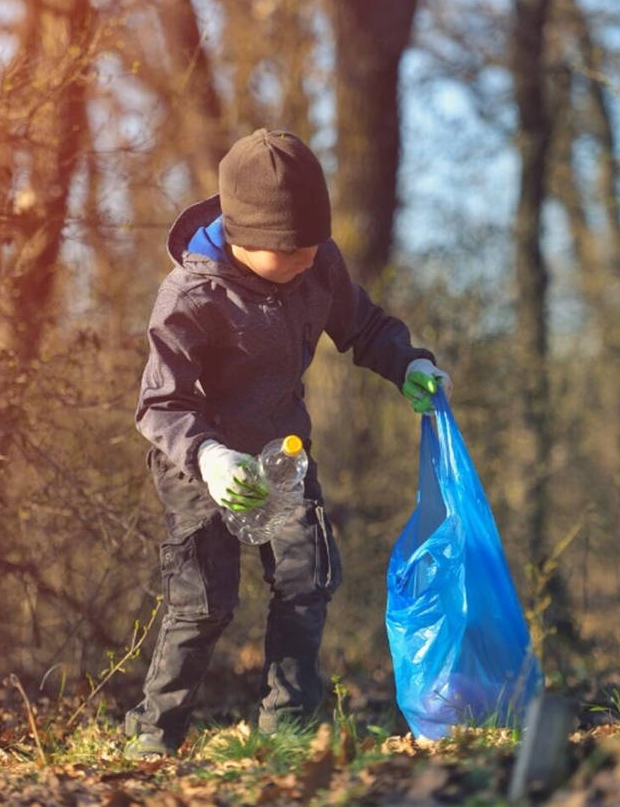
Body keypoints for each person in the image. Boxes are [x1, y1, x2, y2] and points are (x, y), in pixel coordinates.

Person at [124, 128, 452, 758]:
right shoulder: (192, 295)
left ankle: (290, 723)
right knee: (202, 604)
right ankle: (154, 734)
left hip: (283, 456)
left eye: (315, 244)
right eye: (292, 249)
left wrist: (408, 363)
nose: (309, 258)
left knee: (306, 580)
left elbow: (365, 325)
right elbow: (159, 404)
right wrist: (211, 456)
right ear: (245, 239)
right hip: (201, 465)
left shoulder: (317, 263)